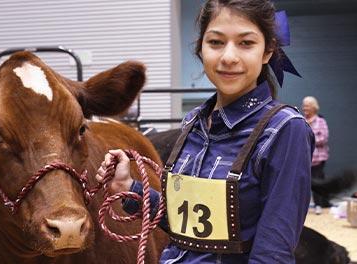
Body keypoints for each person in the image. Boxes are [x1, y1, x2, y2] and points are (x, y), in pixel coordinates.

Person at [96, 0, 315, 263]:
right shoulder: (193, 123)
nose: (228, 57)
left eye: (246, 43)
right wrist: (129, 187)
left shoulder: (284, 130)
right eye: (216, 42)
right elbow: (186, 223)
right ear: (201, 48)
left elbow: (273, 253)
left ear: (268, 51)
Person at [302, 96, 330, 214]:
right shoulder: (301, 120)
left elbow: (323, 138)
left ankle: (319, 204)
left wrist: (308, 138)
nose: (304, 108)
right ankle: (303, 206)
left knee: (318, 181)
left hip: (318, 159)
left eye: (307, 106)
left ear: (314, 107)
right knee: (303, 182)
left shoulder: (320, 121)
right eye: (304, 105)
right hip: (304, 158)